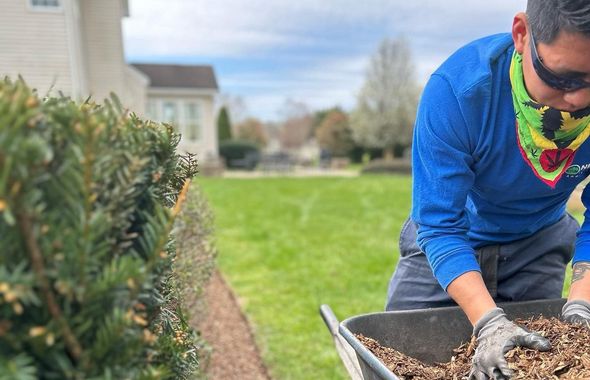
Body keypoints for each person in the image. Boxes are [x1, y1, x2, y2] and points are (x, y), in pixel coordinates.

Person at [384, 1, 590, 379]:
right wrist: (490, 322)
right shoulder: (459, 92)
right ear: (522, 35)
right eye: (562, 79)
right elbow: (440, 223)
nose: (579, 100)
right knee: (401, 359)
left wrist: (582, 305)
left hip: (538, 242)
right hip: (445, 243)